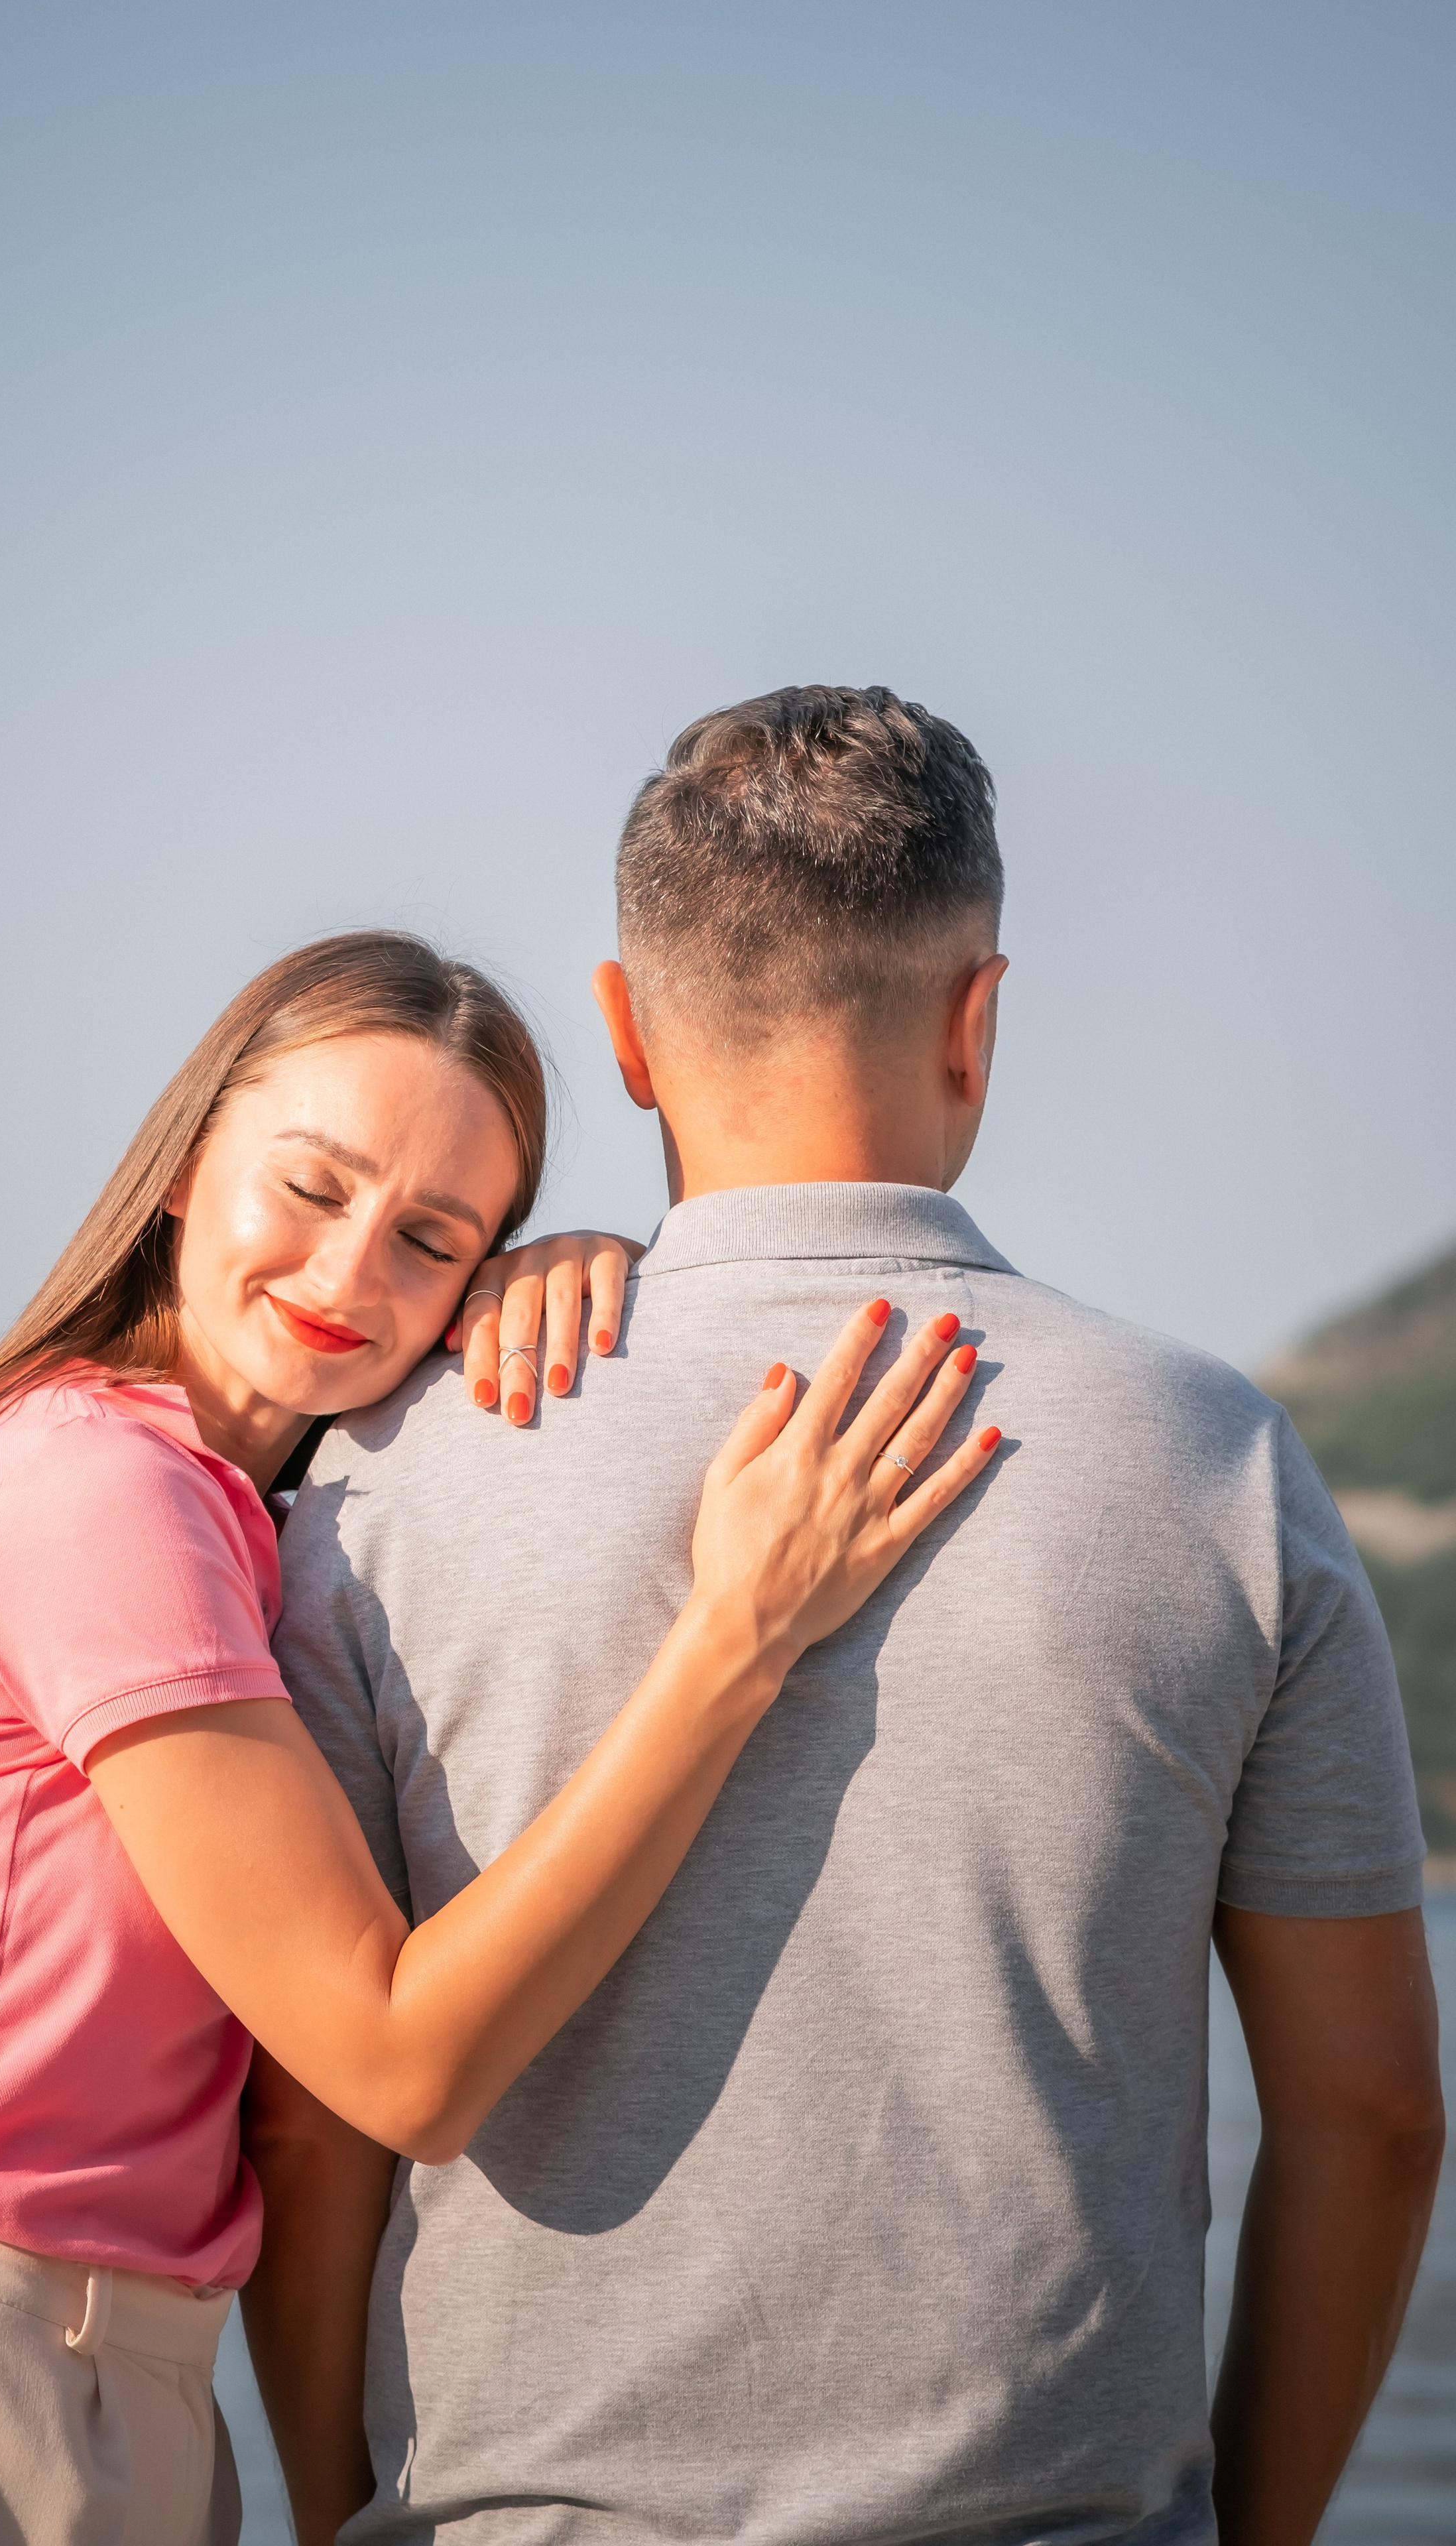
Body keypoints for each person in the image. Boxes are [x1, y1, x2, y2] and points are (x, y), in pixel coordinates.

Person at [278, 690, 1445, 2546]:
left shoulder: (386, 1473)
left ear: (626, 1036)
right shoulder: (1217, 1460)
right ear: (979, 1019)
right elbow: (1373, 2118)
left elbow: (309, 2127)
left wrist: (354, 2508)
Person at [0, 929, 1001, 2546]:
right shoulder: (96, 1495)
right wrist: (736, 1632)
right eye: (312, 1187)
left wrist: (562, 1279)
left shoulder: (213, 1503)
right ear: (187, 1159)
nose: (349, 1279)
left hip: (92, 2365)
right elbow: (394, 2062)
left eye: (430, 1236)